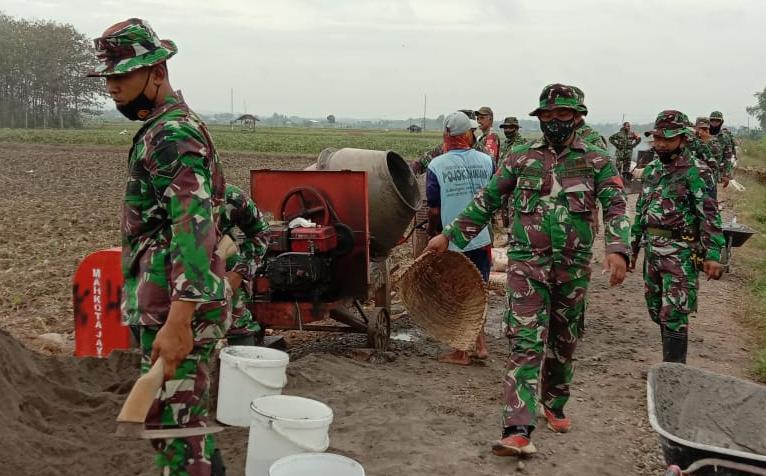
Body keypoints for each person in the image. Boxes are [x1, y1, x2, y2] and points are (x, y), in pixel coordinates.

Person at [426, 84, 630, 456]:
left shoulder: (596, 159)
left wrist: (618, 248)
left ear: (577, 117)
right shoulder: (521, 156)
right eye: (547, 117)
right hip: (527, 265)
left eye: (561, 116)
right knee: (525, 341)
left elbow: (616, 205)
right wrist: (449, 235)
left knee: (563, 340)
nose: (553, 123)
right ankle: (518, 428)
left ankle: (554, 403)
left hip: (572, 266)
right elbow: (486, 200)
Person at [88, 18, 229, 475]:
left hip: (175, 308)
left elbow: (193, 225)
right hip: (164, 305)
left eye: (123, 74)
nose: (112, 86)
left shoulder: (172, 135)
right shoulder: (162, 128)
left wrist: (179, 320)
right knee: (180, 425)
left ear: (158, 73)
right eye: (109, 76)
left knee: (176, 434)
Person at [630, 110, 724, 364]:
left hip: (680, 252)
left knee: (674, 313)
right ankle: (669, 371)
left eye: (668, 139)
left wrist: (714, 254)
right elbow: (642, 210)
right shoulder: (652, 169)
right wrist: (633, 248)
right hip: (653, 251)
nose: (661, 144)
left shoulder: (697, 172)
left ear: (683, 139)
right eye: (658, 138)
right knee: (656, 311)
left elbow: (710, 217)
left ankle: (674, 375)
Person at [425, 111, 494, 365]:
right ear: (468, 135)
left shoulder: (436, 166)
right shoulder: (487, 161)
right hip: (482, 237)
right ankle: (480, 345)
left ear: (446, 136)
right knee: (479, 290)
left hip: (452, 240)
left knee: (456, 293)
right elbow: (494, 196)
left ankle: (460, 351)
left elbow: (433, 209)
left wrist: (434, 234)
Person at [220, 184, 270, 346]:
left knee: (238, 325)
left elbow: (260, 231)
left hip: (220, 273)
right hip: (167, 274)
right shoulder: (153, 196)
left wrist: (239, 272)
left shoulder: (229, 197)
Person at [693, 116, 724, 200]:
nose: (701, 131)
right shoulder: (690, 141)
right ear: (695, 127)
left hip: (708, 180)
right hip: (693, 180)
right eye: (700, 128)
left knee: (710, 206)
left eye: (705, 129)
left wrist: (705, 142)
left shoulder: (714, 142)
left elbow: (716, 161)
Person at [709, 111, 735, 184]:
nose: (714, 123)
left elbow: (727, 158)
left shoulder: (725, 137)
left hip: (714, 173)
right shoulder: (702, 134)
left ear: (721, 122)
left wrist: (726, 175)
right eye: (712, 120)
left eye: (717, 120)